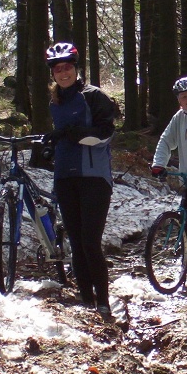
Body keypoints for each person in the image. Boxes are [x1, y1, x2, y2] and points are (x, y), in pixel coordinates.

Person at [42, 42, 116, 318]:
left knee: (90, 241)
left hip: (94, 177)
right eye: (58, 69)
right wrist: (53, 143)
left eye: (67, 68)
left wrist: (78, 134)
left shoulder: (93, 96)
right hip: (65, 176)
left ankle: (104, 302)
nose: (63, 73)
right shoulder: (55, 100)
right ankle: (87, 299)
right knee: (75, 241)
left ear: (76, 69)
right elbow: (62, 133)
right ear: (53, 73)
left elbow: (106, 133)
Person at [150, 76, 187, 249]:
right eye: (183, 97)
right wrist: (158, 164)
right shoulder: (179, 118)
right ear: (178, 100)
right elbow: (166, 141)